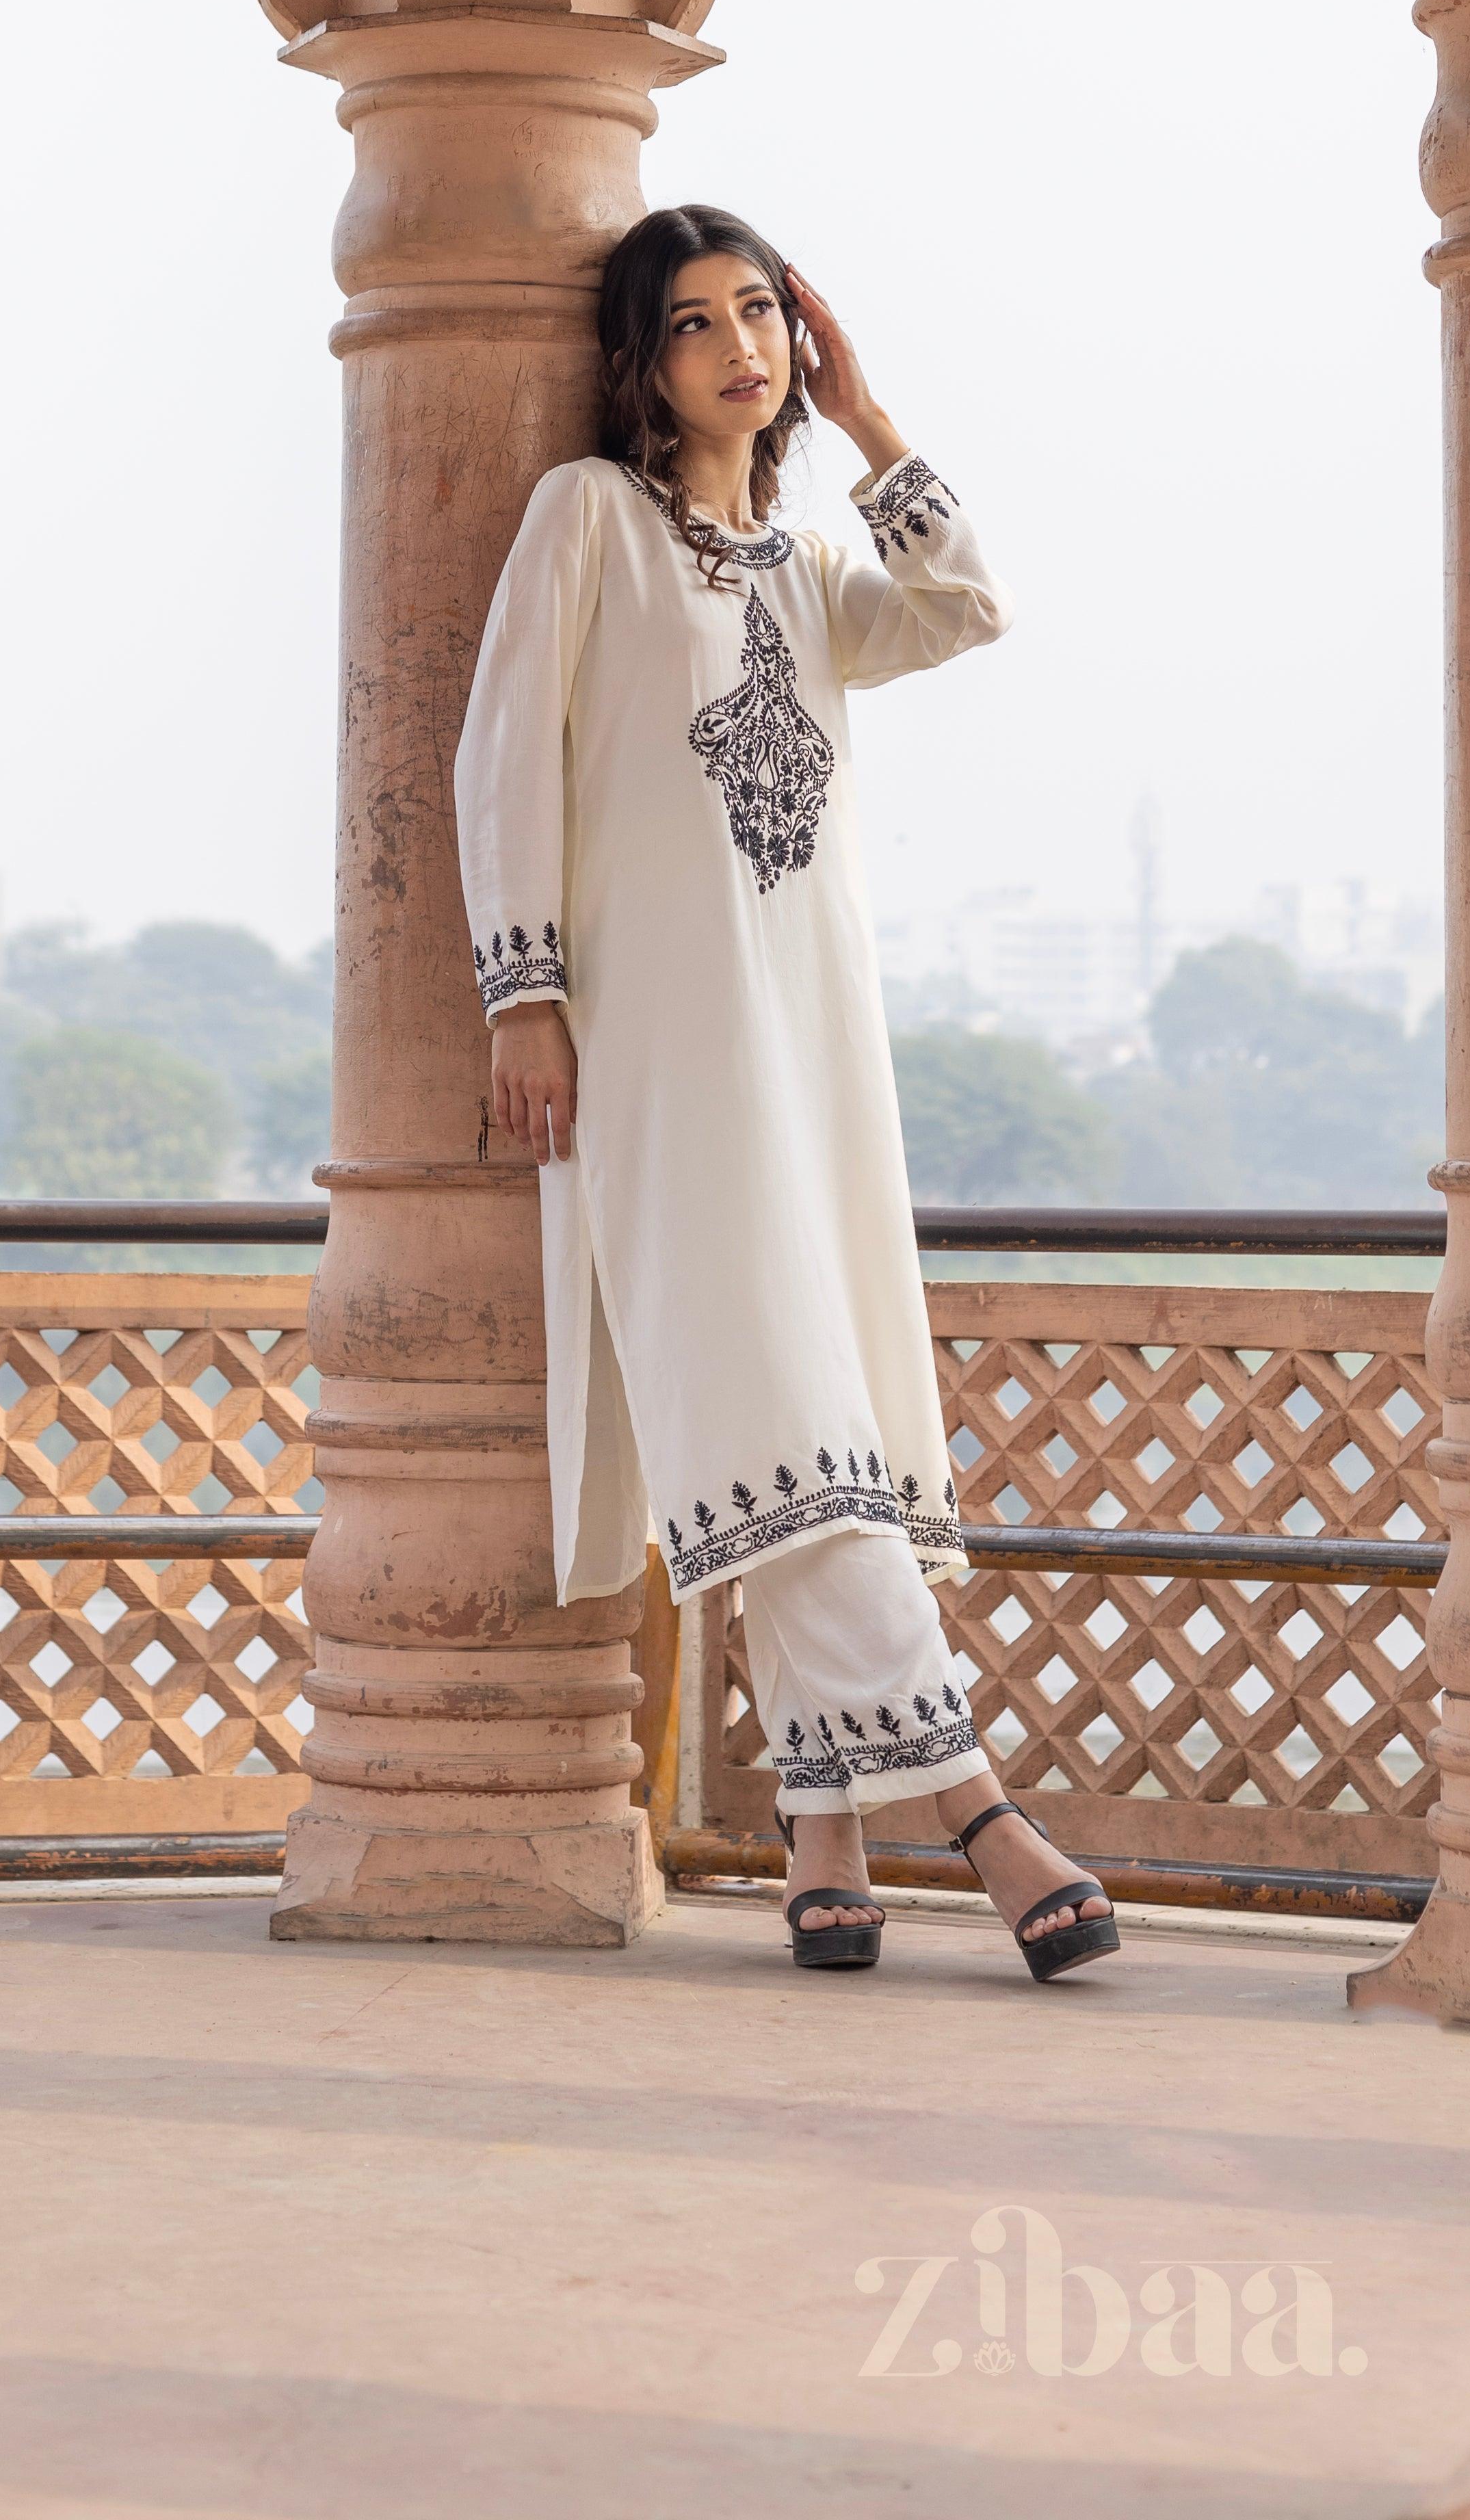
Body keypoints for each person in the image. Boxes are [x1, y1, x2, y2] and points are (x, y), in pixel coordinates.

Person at [452, 202, 1120, 1983]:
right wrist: (525, 995)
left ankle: (822, 1832)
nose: (738, 348)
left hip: (810, 1043)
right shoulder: (588, 521)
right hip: (660, 1048)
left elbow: (965, 607)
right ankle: (982, 1812)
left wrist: (880, 421)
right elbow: (501, 749)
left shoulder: (815, 575)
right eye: (694, 323)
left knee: (812, 1414)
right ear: (638, 362)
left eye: (763, 317)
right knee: (774, 1415)